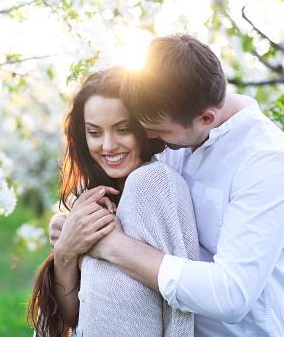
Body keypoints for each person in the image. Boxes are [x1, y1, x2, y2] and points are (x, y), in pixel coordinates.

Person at [49, 33, 284, 336]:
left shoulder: (266, 160)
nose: (152, 139)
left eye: (158, 131)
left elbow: (231, 295)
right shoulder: (173, 130)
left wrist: (109, 244)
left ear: (205, 118)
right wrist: (71, 238)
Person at [27, 66, 199, 337]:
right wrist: (65, 254)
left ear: (145, 128)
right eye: (94, 133)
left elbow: (181, 305)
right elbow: (75, 316)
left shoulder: (153, 184)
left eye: (123, 129)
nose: (107, 146)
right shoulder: (91, 194)